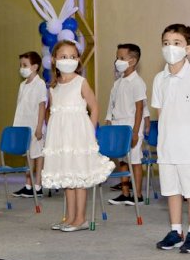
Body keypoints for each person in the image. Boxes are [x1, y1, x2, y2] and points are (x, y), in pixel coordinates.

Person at [152, 24, 190, 254]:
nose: (170, 48)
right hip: (167, 147)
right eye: (166, 43)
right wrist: (165, 136)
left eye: (176, 43)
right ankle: (175, 231)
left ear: (188, 48)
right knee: (171, 190)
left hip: (189, 147)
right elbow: (160, 111)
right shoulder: (160, 79)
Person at [42, 40, 114, 231]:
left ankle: (80, 219)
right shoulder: (53, 88)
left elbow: (95, 106)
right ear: (54, 60)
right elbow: (53, 114)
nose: (68, 60)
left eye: (72, 56)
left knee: (78, 178)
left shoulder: (80, 82)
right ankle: (69, 217)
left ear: (78, 60)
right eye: (63, 57)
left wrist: (90, 131)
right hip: (61, 139)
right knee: (68, 178)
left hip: (78, 138)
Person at [106, 43, 148, 206]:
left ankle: (137, 194)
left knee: (135, 160)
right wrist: (109, 119)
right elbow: (112, 103)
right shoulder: (118, 82)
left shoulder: (137, 82)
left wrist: (135, 132)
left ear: (133, 61)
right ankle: (125, 193)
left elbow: (139, 109)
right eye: (117, 57)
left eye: (121, 58)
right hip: (118, 125)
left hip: (131, 125)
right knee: (122, 160)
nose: (118, 61)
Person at [12, 51, 48, 198]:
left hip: (35, 126)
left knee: (38, 155)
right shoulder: (22, 85)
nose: (22, 68)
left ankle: (38, 185)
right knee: (28, 156)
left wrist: (39, 127)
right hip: (24, 125)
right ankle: (28, 185)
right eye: (21, 65)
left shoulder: (40, 84)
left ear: (34, 67)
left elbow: (41, 106)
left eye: (25, 65)